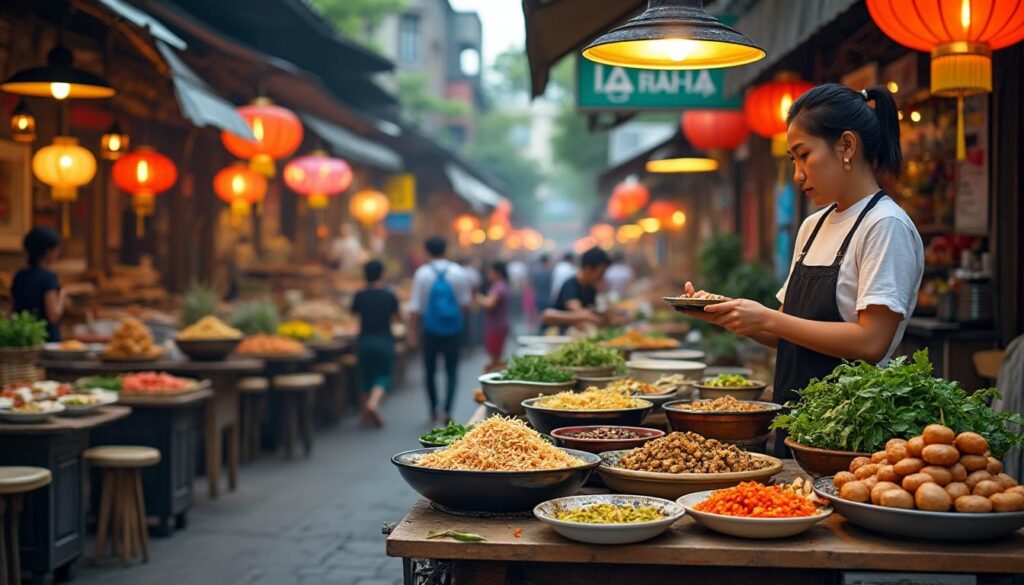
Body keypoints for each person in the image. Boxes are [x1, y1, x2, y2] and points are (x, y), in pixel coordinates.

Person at [684, 84, 924, 455]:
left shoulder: (884, 225)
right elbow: (788, 330)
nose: (797, 175)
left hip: (850, 434)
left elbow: (872, 342)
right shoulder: (813, 226)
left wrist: (767, 318)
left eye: (804, 156)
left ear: (846, 146)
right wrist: (729, 313)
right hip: (794, 421)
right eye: (793, 160)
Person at [408, 236, 472, 425]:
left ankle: (433, 410)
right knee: (452, 371)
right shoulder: (458, 272)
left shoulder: (422, 273)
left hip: (430, 330)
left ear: (427, 251)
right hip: (453, 329)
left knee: (429, 371)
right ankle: (447, 410)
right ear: (446, 249)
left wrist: (411, 331)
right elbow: (466, 305)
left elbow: (416, 307)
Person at [350, 259, 400, 427]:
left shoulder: (360, 295)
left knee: (365, 376)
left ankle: (366, 413)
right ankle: (373, 403)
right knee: (383, 375)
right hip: (384, 340)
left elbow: (355, 315)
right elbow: (397, 317)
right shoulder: (389, 295)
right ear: (382, 274)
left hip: (364, 340)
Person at [12, 226, 64, 341]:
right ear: (48, 251)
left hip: (23, 339)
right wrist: (61, 295)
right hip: (46, 340)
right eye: (56, 249)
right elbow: (53, 315)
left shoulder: (20, 275)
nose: (58, 253)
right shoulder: (48, 277)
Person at [543, 247, 612, 330]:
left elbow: (589, 311)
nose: (601, 278)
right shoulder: (570, 284)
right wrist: (590, 317)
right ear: (588, 268)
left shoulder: (591, 289)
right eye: (601, 273)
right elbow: (578, 311)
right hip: (556, 333)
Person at [477, 261, 510, 372]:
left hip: (496, 326)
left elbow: (489, 304)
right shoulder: (501, 285)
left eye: (491, 271)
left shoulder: (499, 287)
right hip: (498, 325)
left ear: (497, 272)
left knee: (494, 359)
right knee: (495, 357)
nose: (489, 274)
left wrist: (477, 296)